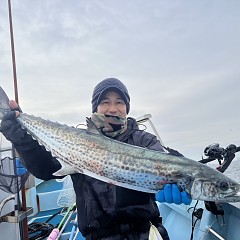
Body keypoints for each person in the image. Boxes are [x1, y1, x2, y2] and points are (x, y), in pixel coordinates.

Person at [0, 78, 191, 240]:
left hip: (144, 232)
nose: (113, 108)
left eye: (120, 102)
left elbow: (165, 164)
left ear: (127, 108)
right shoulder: (77, 140)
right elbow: (45, 169)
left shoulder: (144, 140)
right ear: (96, 108)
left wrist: (178, 181)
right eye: (105, 102)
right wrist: (22, 138)